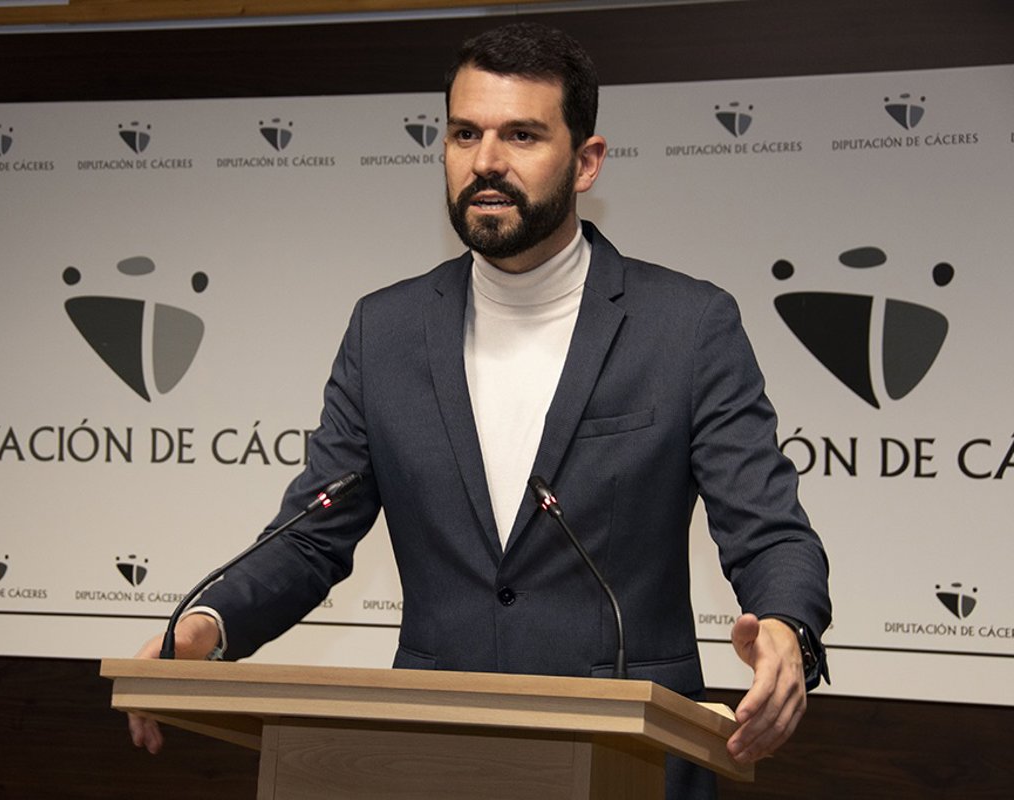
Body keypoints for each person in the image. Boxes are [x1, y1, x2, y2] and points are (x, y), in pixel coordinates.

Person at [129, 22, 831, 799]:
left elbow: (768, 528)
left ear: (586, 161)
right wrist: (205, 629)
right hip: (431, 756)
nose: (486, 161)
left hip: (632, 761)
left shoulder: (686, 327)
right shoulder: (385, 331)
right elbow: (311, 534)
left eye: (521, 135)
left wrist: (785, 627)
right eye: (466, 133)